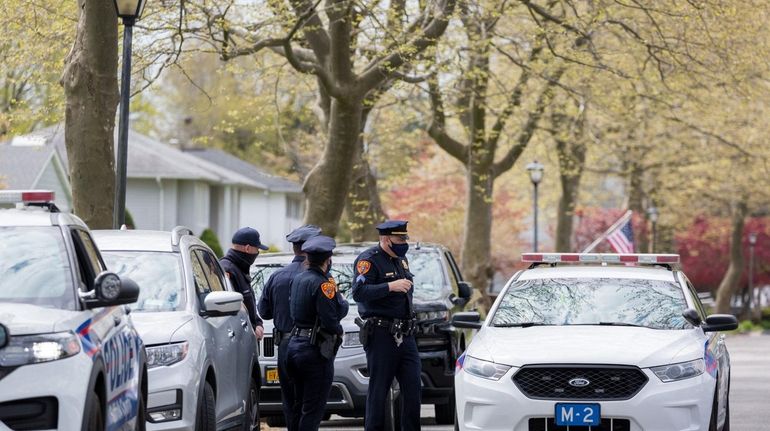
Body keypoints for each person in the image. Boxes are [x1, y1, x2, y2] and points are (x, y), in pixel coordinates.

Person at [352, 220, 420, 431]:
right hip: (381, 334)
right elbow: (359, 293)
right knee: (379, 390)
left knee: (413, 388)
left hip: (405, 334)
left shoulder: (401, 260)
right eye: (399, 239)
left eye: (404, 239)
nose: (403, 243)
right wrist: (390, 286)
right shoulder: (368, 261)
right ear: (385, 239)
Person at [257, 224, 322, 429]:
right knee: (311, 401)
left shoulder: (277, 276)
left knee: (290, 400)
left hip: (284, 345)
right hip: (312, 345)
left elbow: (264, 311)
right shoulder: (318, 277)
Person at [286, 235, 349, 431]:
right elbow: (330, 319)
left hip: (294, 345)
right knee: (312, 409)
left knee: (299, 404)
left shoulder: (298, 279)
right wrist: (342, 308)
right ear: (327, 260)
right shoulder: (324, 284)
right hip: (314, 351)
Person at [220, 227, 267, 339]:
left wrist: (257, 323)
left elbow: (248, 304)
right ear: (247, 248)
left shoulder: (240, 269)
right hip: (238, 340)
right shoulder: (228, 270)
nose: (257, 253)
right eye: (257, 249)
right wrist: (252, 328)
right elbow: (230, 311)